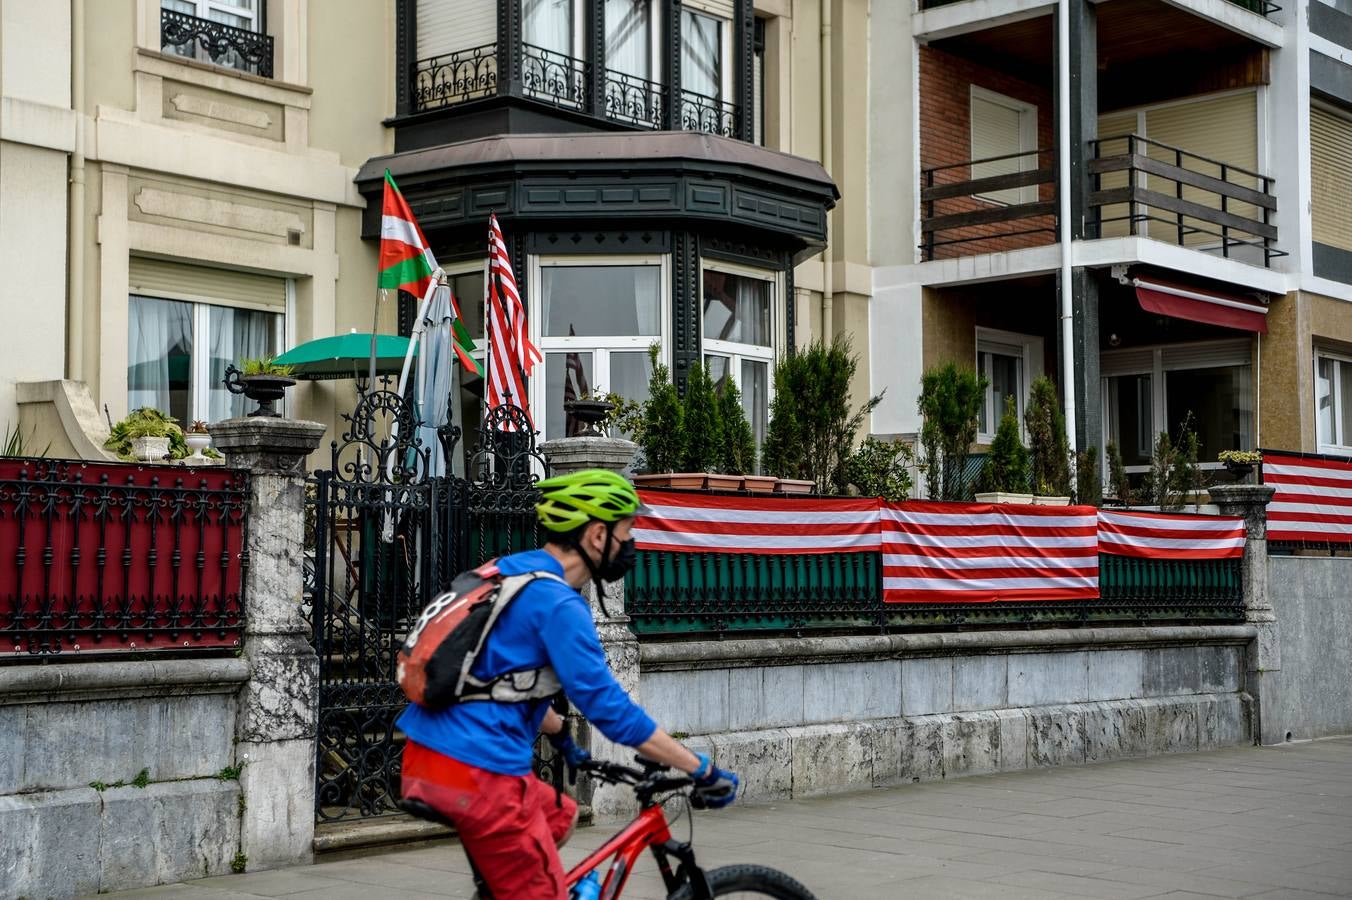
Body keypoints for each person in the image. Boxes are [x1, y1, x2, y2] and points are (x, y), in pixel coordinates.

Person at [398, 468, 740, 899]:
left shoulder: (508, 571)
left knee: (559, 814)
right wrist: (700, 768)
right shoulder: (558, 604)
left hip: (428, 759)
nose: (630, 544)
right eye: (627, 530)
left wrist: (563, 738)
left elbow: (499, 678)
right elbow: (612, 713)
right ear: (598, 535)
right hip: (480, 773)